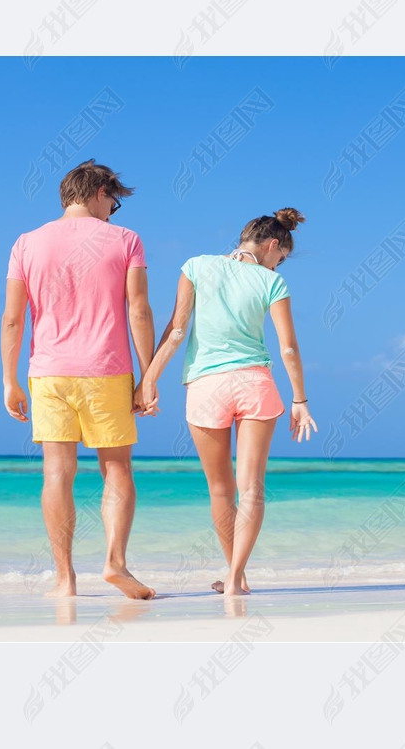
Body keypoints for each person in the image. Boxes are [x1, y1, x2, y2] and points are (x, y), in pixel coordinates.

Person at [136, 208, 316, 596]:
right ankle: (236, 578)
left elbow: (177, 329)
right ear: (272, 246)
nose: (277, 266)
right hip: (255, 384)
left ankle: (237, 576)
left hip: (206, 386)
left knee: (221, 489)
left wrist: (148, 380)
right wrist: (300, 399)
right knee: (252, 489)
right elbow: (288, 347)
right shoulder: (272, 282)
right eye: (280, 259)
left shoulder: (196, 266)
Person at [1, 159, 156, 599]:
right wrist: (148, 375)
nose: (114, 211)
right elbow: (139, 310)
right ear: (99, 192)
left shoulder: (26, 243)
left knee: (57, 472)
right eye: (115, 202)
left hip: (48, 372)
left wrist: (9, 379)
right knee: (117, 469)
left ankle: (65, 578)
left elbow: (13, 320)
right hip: (106, 368)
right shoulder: (126, 240)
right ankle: (115, 563)